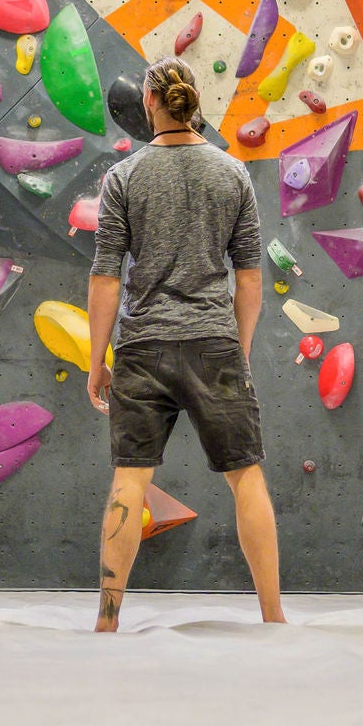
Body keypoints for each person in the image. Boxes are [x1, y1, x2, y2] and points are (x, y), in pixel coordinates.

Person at [85, 57, 285, 633]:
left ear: (149, 103)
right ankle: (273, 616)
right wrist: (238, 351)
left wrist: (97, 360)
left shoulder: (124, 178)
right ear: (192, 102)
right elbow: (249, 276)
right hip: (213, 344)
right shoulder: (231, 173)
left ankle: (107, 621)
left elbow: (105, 276)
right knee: (246, 475)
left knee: (130, 476)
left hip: (143, 346)